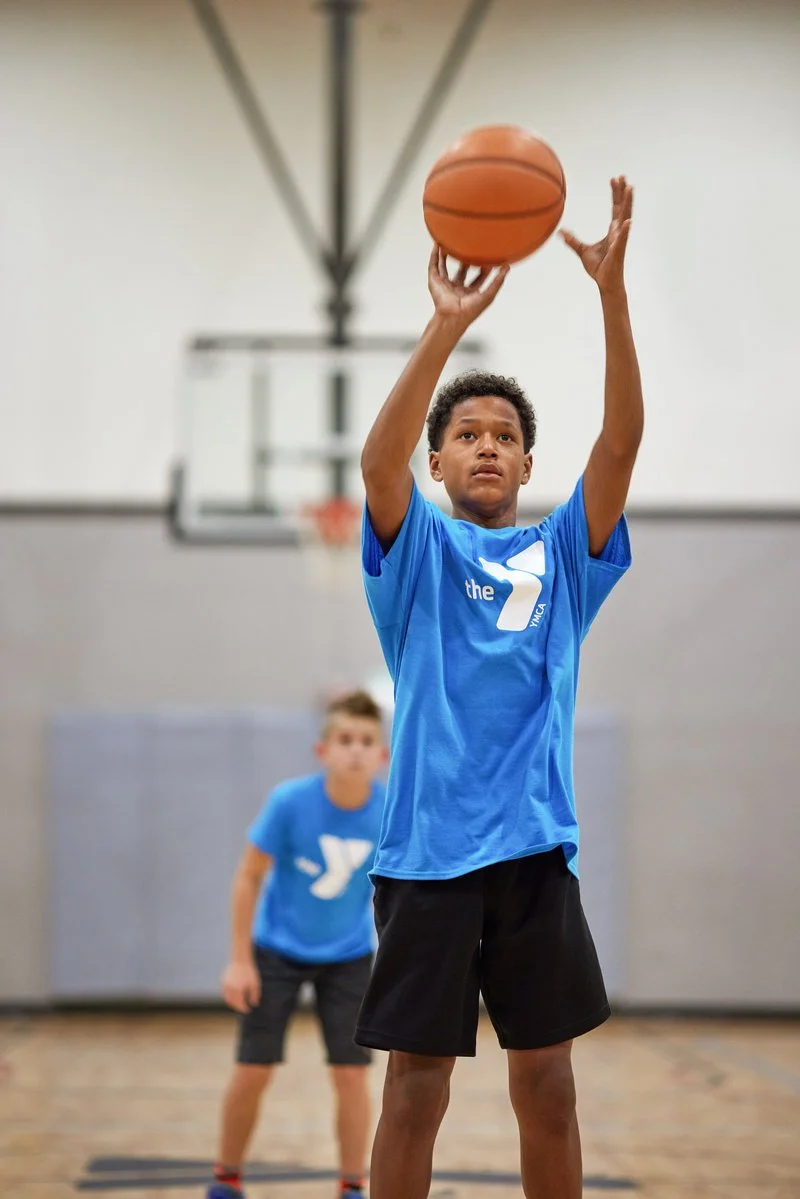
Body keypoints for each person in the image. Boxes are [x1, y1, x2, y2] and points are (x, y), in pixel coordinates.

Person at [355, 177, 643, 1199]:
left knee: (549, 1085)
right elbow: (375, 463)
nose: (487, 442)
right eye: (467, 433)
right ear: (438, 462)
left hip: (532, 852)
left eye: (505, 434)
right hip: (427, 852)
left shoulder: (563, 554)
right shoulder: (417, 550)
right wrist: (444, 326)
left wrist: (610, 294)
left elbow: (619, 444)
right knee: (414, 1087)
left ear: (525, 463)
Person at [208, 690, 388, 1199]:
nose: (355, 750)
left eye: (366, 741)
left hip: (349, 956)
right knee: (253, 1068)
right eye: (345, 739)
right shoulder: (289, 802)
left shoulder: (391, 810)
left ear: (382, 755)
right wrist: (240, 961)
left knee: (351, 1075)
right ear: (322, 750)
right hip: (276, 952)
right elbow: (248, 876)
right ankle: (227, 1178)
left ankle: (352, 1185)